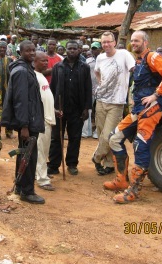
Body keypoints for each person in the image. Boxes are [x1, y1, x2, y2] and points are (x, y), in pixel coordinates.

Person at [106, 30, 162, 203]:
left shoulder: (153, 57)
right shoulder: (139, 60)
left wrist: (156, 95)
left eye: (137, 40)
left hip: (150, 109)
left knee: (141, 145)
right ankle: (121, 180)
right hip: (137, 109)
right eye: (132, 41)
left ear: (145, 42)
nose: (134, 43)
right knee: (114, 138)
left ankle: (134, 191)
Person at [1, 40, 45, 204]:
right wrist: (24, 126)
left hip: (31, 118)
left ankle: (20, 186)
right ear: (20, 52)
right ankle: (27, 191)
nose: (32, 53)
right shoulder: (21, 71)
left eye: (34, 50)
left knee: (24, 153)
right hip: (28, 121)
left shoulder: (27, 68)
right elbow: (21, 101)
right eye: (28, 51)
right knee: (29, 155)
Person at [92, 32, 135, 179]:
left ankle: (96, 158)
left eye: (109, 42)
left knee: (108, 135)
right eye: (103, 43)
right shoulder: (100, 57)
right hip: (101, 101)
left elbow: (133, 69)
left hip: (116, 103)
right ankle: (109, 163)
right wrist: (102, 85)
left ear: (114, 42)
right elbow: (97, 72)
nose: (106, 45)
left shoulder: (124, 54)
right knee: (101, 133)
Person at [48, 40, 92, 176]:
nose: (72, 51)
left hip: (77, 110)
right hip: (60, 109)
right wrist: (54, 107)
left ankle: (72, 164)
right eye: (69, 48)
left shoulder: (84, 67)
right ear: (66, 50)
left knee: (75, 137)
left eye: (74, 48)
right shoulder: (58, 67)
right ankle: (54, 165)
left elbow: (88, 88)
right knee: (56, 138)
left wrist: (86, 108)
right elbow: (53, 88)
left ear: (79, 50)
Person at [33, 52, 56, 191]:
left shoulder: (41, 76)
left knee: (44, 149)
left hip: (48, 117)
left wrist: (54, 110)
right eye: (43, 61)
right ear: (35, 62)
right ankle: (42, 179)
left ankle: (40, 173)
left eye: (47, 61)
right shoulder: (34, 77)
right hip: (41, 120)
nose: (46, 63)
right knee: (41, 150)